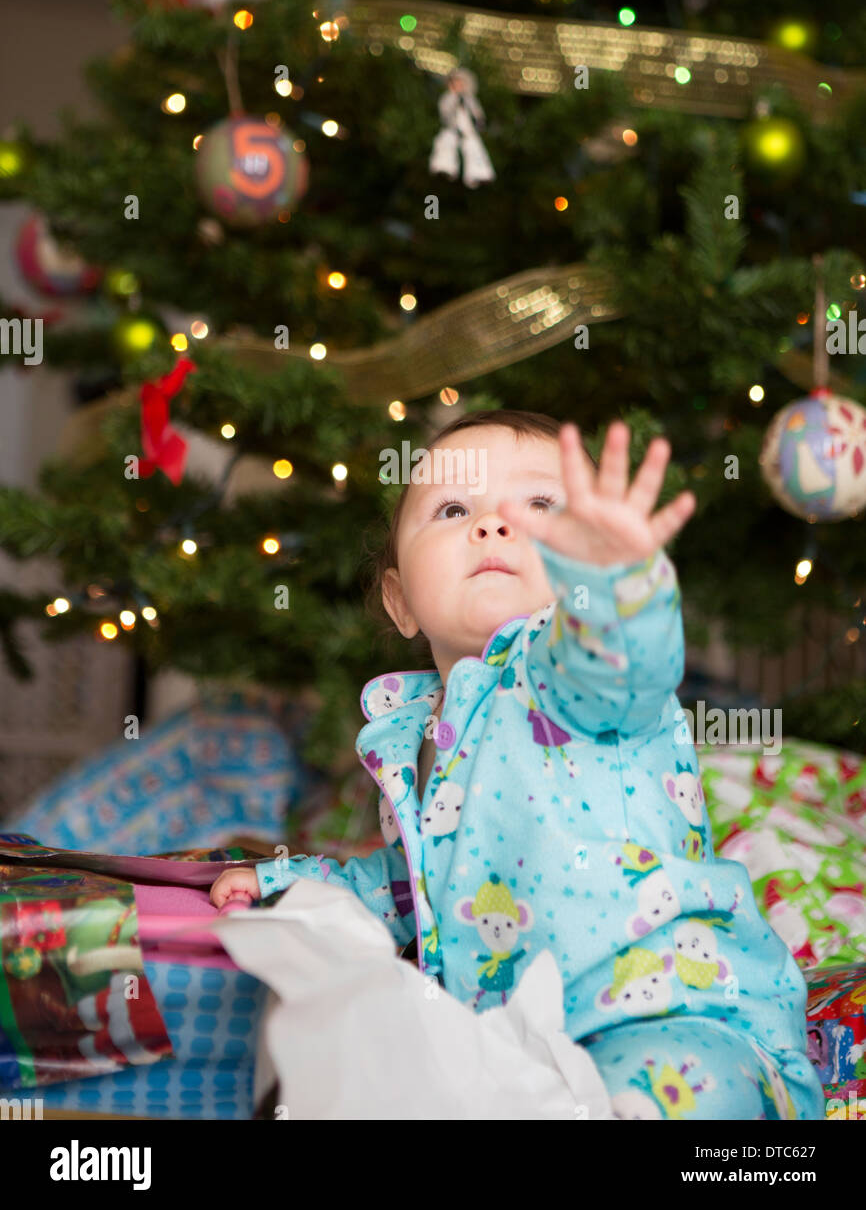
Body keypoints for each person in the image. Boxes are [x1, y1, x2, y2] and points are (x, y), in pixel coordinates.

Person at [211, 408, 825, 1120]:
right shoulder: (410, 741)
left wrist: (620, 581)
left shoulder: (570, 671)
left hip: (676, 1015)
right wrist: (285, 882)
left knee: (658, 1096)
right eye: (451, 509)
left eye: (538, 506)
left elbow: (629, 658)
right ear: (401, 600)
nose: (493, 525)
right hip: (517, 1049)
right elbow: (406, 890)